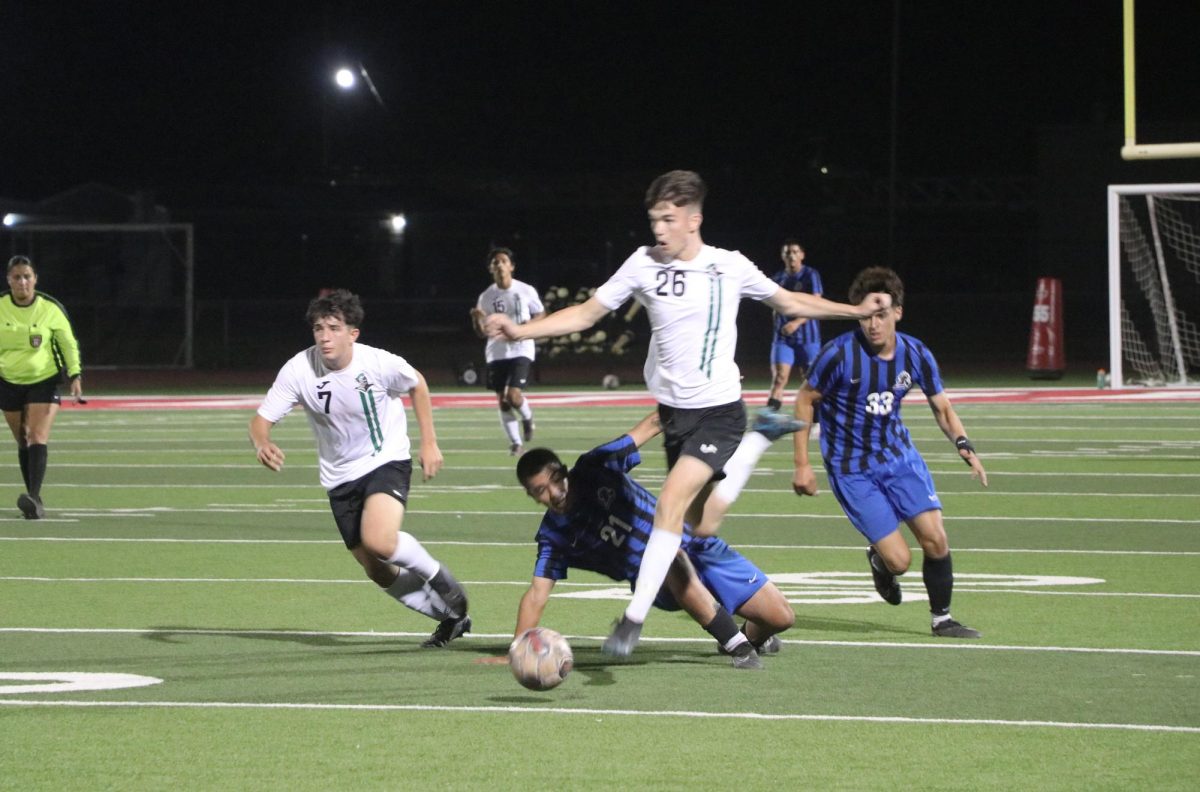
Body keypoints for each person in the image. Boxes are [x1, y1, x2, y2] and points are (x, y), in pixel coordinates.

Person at [485, 169, 890, 656]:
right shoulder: (642, 263)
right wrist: (520, 332)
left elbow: (788, 301)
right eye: (653, 219)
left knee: (670, 507)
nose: (658, 230)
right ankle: (763, 439)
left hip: (719, 411)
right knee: (699, 523)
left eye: (668, 219)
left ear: (693, 219)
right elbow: (587, 312)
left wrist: (856, 311)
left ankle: (631, 622)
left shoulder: (729, 266)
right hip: (676, 418)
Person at [250, 289, 471, 648]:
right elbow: (261, 421)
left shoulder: (378, 363)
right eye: (319, 328)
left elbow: (418, 384)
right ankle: (449, 617)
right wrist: (262, 442)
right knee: (376, 568)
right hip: (339, 477)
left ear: (353, 333)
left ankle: (438, 577)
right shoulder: (299, 369)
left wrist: (429, 441)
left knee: (379, 540)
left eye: (334, 327)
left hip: (386, 459)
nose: (324, 336)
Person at [506, 412, 797, 670]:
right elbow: (536, 594)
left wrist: (687, 406)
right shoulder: (553, 536)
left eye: (557, 479)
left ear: (564, 469)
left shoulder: (595, 466)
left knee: (781, 617)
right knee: (671, 558)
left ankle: (749, 636)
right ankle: (738, 646)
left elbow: (650, 425)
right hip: (656, 581)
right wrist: (518, 650)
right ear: (532, 497)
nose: (554, 492)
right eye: (541, 490)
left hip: (696, 543)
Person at [791, 266, 986, 639]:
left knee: (936, 539)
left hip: (898, 457)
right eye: (865, 315)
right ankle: (880, 562)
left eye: (881, 314)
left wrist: (964, 445)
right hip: (852, 470)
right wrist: (802, 463)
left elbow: (942, 407)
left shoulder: (915, 353)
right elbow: (804, 400)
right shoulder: (837, 355)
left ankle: (941, 619)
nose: (873, 324)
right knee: (899, 561)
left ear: (898, 311)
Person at [0, 255, 84, 520]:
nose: (22, 282)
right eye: (17, 277)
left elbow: (68, 343)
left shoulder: (50, 308)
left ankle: (34, 499)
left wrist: (75, 373)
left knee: (37, 436)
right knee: (22, 439)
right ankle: (32, 495)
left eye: (27, 276)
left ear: (35, 279)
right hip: (8, 380)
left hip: (43, 380)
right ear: (8, 280)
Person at [469, 247, 544, 455]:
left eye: (503, 261)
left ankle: (527, 418)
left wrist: (527, 327)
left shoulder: (526, 290)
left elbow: (541, 314)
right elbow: (482, 333)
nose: (499, 265)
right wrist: (476, 319)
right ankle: (516, 443)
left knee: (513, 396)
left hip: (521, 347)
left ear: (511, 266)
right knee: (502, 401)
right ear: (490, 269)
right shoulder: (486, 297)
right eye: (495, 262)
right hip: (496, 351)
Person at [766, 239, 823, 413]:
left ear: (802, 255)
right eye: (787, 252)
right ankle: (769, 421)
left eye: (795, 252)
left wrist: (796, 323)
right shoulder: (777, 278)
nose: (791, 255)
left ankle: (818, 420)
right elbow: (773, 304)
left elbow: (817, 303)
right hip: (783, 339)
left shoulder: (810, 275)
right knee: (779, 378)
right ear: (782, 256)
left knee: (811, 380)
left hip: (808, 338)